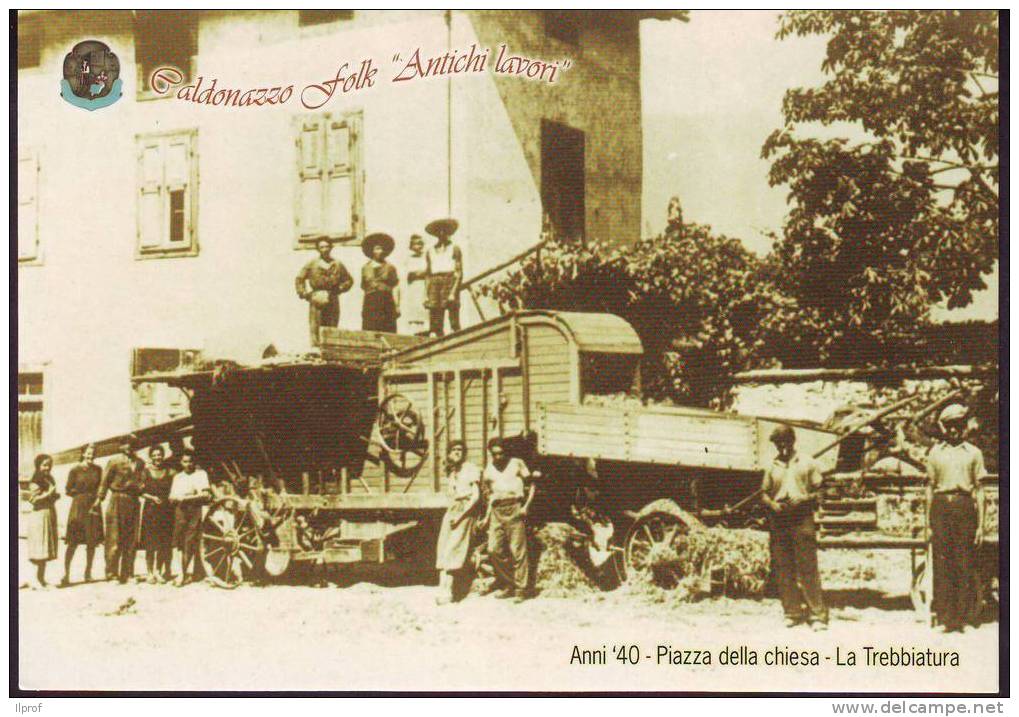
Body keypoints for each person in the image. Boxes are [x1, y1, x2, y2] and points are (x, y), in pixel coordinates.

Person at [761, 424, 828, 630]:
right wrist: (773, 505)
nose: (782, 447)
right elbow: (764, 492)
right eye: (778, 444)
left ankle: (817, 615)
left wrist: (803, 500)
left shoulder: (807, 463)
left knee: (807, 567)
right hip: (780, 518)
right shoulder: (772, 466)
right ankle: (792, 612)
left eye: (785, 442)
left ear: (792, 441)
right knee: (784, 567)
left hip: (802, 517)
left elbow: (820, 492)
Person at [925, 403, 986, 633]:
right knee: (942, 564)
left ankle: (961, 619)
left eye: (958, 425)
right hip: (941, 508)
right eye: (950, 426)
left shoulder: (973, 453)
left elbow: (979, 490)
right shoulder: (935, 452)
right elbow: (930, 488)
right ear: (944, 427)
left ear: (964, 427)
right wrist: (927, 523)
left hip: (964, 508)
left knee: (964, 562)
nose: (954, 430)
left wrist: (980, 525)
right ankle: (945, 618)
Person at [481, 438, 536, 602]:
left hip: (515, 507)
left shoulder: (517, 463)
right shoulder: (489, 469)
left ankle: (521, 589)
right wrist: (486, 516)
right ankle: (509, 583)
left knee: (517, 550)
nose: (498, 457)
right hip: (497, 510)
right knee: (493, 549)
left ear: (506, 452)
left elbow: (532, 484)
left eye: (501, 453)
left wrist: (526, 506)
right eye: (494, 454)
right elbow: (487, 493)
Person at [435, 441, 482, 604]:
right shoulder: (452, 471)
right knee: (443, 548)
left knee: (453, 549)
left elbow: (475, 496)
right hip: (452, 509)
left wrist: (461, 516)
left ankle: (448, 592)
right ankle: (441, 589)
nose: (457, 453)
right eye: (453, 450)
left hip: (465, 510)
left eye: (460, 450)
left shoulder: (470, 469)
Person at [96, 437, 143, 584]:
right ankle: (111, 574)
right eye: (125, 444)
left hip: (133, 501)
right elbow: (104, 482)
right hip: (117, 499)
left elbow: (143, 481)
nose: (129, 447)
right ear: (121, 446)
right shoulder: (114, 461)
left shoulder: (139, 462)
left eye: (132, 445)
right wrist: (99, 500)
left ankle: (128, 573)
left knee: (131, 540)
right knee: (114, 539)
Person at [295, 236, 354, 347]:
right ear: (318, 249)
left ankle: (330, 351)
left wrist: (340, 288)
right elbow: (299, 279)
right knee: (316, 326)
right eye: (322, 247)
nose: (325, 249)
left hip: (332, 297)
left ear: (331, 248)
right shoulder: (312, 264)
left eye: (327, 246)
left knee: (331, 326)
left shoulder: (337, 264)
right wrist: (304, 293)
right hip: (317, 297)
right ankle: (316, 351)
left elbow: (349, 280)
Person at [60, 444, 104, 586]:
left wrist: (96, 500)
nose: (90, 455)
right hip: (79, 506)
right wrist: (80, 495)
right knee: (73, 541)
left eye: (93, 453)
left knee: (91, 542)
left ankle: (88, 573)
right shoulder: (75, 470)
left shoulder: (98, 469)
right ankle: (66, 574)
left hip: (94, 506)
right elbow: (68, 489)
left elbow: (100, 488)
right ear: (83, 453)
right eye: (88, 453)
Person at [170, 449, 211, 587]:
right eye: (185, 461)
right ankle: (180, 572)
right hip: (180, 510)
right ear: (181, 462)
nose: (188, 464)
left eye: (190, 461)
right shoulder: (178, 477)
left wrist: (188, 497)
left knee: (190, 540)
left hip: (195, 509)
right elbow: (172, 496)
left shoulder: (201, 474)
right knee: (177, 541)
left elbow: (205, 494)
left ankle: (186, 573)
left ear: (194, 462)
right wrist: (178, 498)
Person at [139, 446, 175, 583]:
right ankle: (149, 573)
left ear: (163, 456)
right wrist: (152, 498)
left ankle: (158, 571)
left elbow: (177, 484)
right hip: (151, 510)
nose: (157, 457)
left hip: (165, 511)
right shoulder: (146, 472)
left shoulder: (169, 472)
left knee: (162, 543)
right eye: (154, 455)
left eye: (159, 455)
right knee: (150, 543)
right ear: (151, 457)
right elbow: (140, 491)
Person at [424, 217, 463, 337]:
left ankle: (456, 340)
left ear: (448, 232)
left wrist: (453, 291)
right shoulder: (430, 251)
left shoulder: (454, 248)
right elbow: (428, 274)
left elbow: (458, 272)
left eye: (444, 230)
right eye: (439, 231)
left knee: (453, 316)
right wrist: (426, 294)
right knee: (435, 318)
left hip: (449, 280)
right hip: (435, 282)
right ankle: (437, 341)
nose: (441, 233)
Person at [26, 454, 60, 588]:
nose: (47, 467)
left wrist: (54, 496)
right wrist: (49, 494)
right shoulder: (35, 480)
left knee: (45, 549)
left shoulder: (49, 479)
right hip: (39, 516)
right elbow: (33, 500)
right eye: (44, 465)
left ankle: (41, 579)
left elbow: (50, 495)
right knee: (39, 548)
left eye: (49, 465)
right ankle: (35, 581)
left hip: (49, 513)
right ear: (38, 466)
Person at [360, 232, 400, 333]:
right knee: (370, 328)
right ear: (372, 250)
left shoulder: (390, 267)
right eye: (377, 248)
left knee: (387, 328)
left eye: (382, 249)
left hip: (386, 301)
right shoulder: (365, 268)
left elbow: (395, 287)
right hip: (370, 302)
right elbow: (364, 287)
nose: (380, 251)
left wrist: (397, 306)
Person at [402, 234, 429, 335]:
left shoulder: (427, 257)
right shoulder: (409, 259)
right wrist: (420, 273)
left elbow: (429, 272)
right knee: (414, 310)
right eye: (416, 244)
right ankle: (415, 331)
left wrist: (421, 273)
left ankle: (426, 331)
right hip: (414, 287)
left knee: (425, 308)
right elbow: (409, 274)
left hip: (425, 286)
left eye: (420, 244)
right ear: (411, 246)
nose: (418, 246)